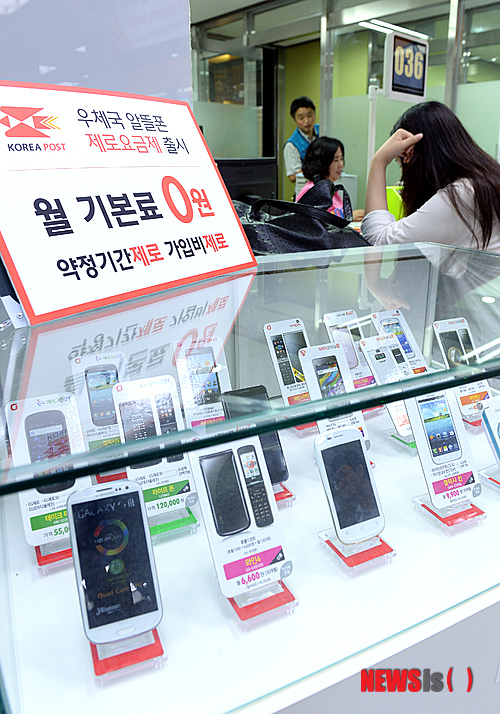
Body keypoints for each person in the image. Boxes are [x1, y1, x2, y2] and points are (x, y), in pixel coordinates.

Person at [361, 100, 500, 253]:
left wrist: (379, 161)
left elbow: (378, 240)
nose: (404, 177)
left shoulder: (461, 195)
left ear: (411, 155)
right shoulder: (485, 183)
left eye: (401, 165)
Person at [296, 136, 365, 221]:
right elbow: (315, 222)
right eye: (336, 160)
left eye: (341, 159)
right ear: (322, 163)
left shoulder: (330, 189)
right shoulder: (312, 190)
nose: (341, 165)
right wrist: (347, 217)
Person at [283, 96, 319, 197]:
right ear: (295, 120)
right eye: (301, 118)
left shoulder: (324, 130)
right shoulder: (291, 145)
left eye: (309, 115)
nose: (307, 121)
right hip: (305, 193)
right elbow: (292, 176)